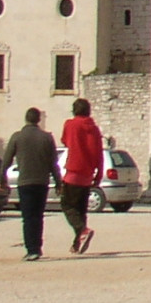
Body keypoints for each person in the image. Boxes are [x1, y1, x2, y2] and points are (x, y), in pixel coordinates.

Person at [1, 108, 59, 261]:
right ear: (38, 120)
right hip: (42, 182)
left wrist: (2, 179)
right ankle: (37, 247)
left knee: (28, 217)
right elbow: (53, 163)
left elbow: (6, 161)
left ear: (26, 119)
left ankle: (31, 249)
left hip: (25, 182)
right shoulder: (47, 138)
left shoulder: (17, 137)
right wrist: (59, 182)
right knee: (38, 216)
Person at [60, 97, 104, 255]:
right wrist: (98, 174)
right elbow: (99, 153)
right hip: (88, 174)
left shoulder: (70, 124)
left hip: (73, 172)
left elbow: (65, 141)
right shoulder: (94, 129)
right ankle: (77, 244)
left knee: (67, 205)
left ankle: (82, 231)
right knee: (80, 210)